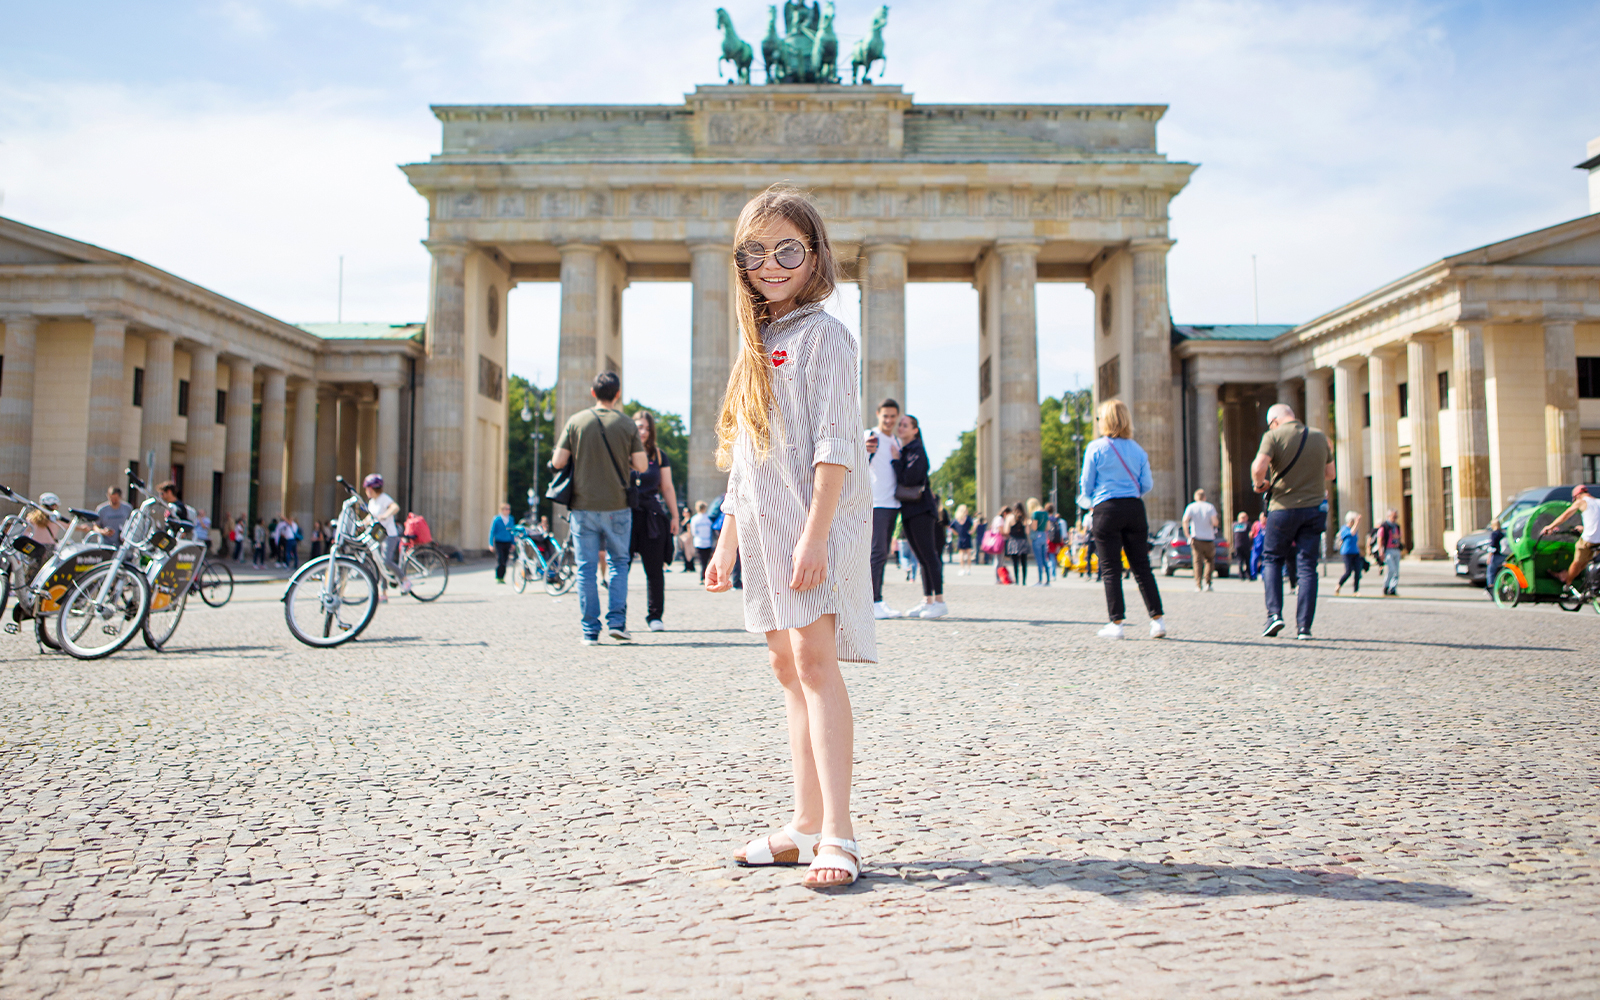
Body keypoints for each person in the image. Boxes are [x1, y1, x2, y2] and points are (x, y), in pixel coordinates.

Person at [706, 184, 871, 890]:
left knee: (815, 664)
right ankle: (803, 825)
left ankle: (840, 832)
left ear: (814, 256)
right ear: (739, 260)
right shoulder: (757, 344)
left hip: (813, 525)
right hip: (768, 529)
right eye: (756, 251)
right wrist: (726, 539)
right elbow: (747, 458)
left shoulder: (825, 336)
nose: (771, 264)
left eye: (787, 250)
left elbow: (835, 446)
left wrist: (814, 535)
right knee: (787, 668)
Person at [551, 370, 648, 645]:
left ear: (593, 393)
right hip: (617, 505)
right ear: (618, 394)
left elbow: (558, 462)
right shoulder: (627, 424)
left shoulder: (576, 421)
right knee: (618, 563)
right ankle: (617, 622)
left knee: (586, 568)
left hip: (582, 506)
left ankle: (589, 631)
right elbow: (641, 465)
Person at [1079, 399, 1166, 639]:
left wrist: (1089, 501)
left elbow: (1086, 485)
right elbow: (1147, 483)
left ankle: (1116, 623)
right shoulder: (1138, 450)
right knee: (1142, 567)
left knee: (1110, 568)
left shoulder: (1095, 448)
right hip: (1134, 508)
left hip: (1106, 508)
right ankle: (1157, 620)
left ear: (1104, 421)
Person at [1250, 403, 1334, 638]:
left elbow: (1259, 468)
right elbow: (1331, 474)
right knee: (1308, 566)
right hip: (1314, 509)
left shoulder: (1273, 436)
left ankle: (1274, 615)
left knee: (1272, 559)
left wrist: (1260, 485)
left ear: (1274, 421)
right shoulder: (1320, 437)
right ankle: (1304, 627)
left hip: (1283, 509)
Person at [891, 412, 946, 617]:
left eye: (905, 425)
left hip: (921, 510)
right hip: (910, 509)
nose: (901, 427)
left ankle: (939, 600)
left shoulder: (917, 450)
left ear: (915, 430)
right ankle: (928, 600)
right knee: (922, 557)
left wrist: (896, 462)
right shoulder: (906, 450)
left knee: (929, 555)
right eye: (900, 425)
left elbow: (910, 477)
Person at [631, 409, 680, 632]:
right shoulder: (624, 452)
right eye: (639, 426)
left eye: (647, 428)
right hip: (627, 514)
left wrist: (675, 516)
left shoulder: (659, 456)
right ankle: (617, 616)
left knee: (654, 570)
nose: (643, 431)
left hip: (652, 516)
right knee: (620, 567)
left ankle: (655, 616)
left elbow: (667, 487)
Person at [863, 397, 903, 619]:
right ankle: (873, 601)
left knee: (882, 553)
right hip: (876, 503)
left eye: (892, 416)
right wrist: (865, 450)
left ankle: (877, 599)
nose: (889, 420)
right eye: (885, 415)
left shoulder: (895, 440)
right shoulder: (871, 436)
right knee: (876, 553)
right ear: (878, 415)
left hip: (892, 504)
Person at [1540, 485, 1600, 586]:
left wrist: (1550, 526)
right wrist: (1584, 528)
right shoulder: (1598, 501)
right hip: (1598, 540)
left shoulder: (1581, 501)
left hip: (1589, 539)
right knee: (1584, 562)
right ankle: (1583, 585)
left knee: (1577, 561)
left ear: (1577, 496)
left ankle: (1567, 583)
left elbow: (1565, 515)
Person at [361, 474, 408, 598]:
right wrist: (362, 523)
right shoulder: (372, 502)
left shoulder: (383, 498)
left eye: (367, 488)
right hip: (378, 535)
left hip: (389, 535)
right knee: (379, 562)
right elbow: (370, 517)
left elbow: (395, 507)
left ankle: (404, 580)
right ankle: (383, 592)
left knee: (386, 561)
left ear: (371, 488)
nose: (366, 491)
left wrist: (386, 515)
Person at [1182, 488, 1221, 592]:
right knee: (1209, 560)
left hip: (1196, 538)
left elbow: (1185, 520)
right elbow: (1215, 522)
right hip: (1208, 538)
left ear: (1195, 497)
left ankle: (1198, 585)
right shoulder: (1209, 507)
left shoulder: (1191, 507)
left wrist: (1188, 535)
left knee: (1197, 562)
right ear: (1204, 497)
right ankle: (1208, 583)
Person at [1374, 509, 1404, 596]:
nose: (1395, 518)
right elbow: (1379, 539)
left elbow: (1400, 536)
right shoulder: (1384, 526)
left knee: (1396, 571)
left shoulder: (1396, 526)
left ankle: (1393, 588)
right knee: (1391, 569)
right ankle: (1386, 586)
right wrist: (1381, 552)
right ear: (1389, 516)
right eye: (1393, 517)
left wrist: (1398, 538)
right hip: (1388, 550)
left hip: (1396, 549)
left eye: (1396, 517)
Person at [1335, 511, 1364, 596]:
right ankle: (1339, 585)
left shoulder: (1355, 528)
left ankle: (1356, 590)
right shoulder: (1344, 529)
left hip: (1355, 552)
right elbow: (1352, 533)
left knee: (1358, 572)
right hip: (1347, 553)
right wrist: (1357, 523)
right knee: (1348, 572)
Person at [688, 501, 715, 582]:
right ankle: (705, 576)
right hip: (708, 542)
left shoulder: (694, 519)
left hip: (699, 542)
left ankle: (703, 576)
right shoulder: (708, 518)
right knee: (707, 560)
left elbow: (693, 532)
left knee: (702, 561)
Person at [1028, 498, 1052, 586]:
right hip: (1043, 536)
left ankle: (1040, 580)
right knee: (1044, 559)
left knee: (1038, 559)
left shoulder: (1035, 514)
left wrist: (1029, 524)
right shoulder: (1045, 513)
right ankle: (1048, 580)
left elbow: (1034, 527)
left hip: (1037, 536)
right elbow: (1048, 527)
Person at [490, 502, 516, 583]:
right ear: (502, 510)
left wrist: (513, 543)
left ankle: (502, 577)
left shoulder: (511, 519)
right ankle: (498, 576)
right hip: (499, 542)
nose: (508, 510)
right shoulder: (497, 519)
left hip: (507, 541)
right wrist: (491, 544)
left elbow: (512, 532)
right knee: (500, 559)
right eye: (506, 509)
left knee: (505, 560)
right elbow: (492, 532)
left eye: (509, 509)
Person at [1005, 503, 1030, 585]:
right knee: (1024, 562)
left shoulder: (1010, 517)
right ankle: (1024, 581)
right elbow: (1027, 531)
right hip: (1023, 541)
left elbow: (1006, 531)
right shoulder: (1025, 518)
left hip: (1013, 541)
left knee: (1015, 562)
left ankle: (1017, 580)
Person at [1484, 518, 1505, 598]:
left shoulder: (1494, 534)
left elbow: (1492, 546)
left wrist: (1489, 557)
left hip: (1495, 556)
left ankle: (1491, 589)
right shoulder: (1502, 533)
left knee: (1490, 573)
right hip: (1502, 556)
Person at [952, 504, 974, 576]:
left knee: (961, 554)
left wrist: (956, 533)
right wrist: (972, 530)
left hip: (960, 537)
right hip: (967, 536)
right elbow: (974, 524)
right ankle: (969, 569)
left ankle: (962, 569)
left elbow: (951, 526)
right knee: (968, 554)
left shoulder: (956, 519)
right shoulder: (967, 518)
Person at [1232, 511, 1251, 580]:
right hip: (1246, 545)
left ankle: (1241, 575)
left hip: (1237, 544)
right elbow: (1251, 534)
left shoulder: (1234, 525)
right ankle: (1248, 575)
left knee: (1240, 560)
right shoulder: (1247, 524)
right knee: (1247, 560)